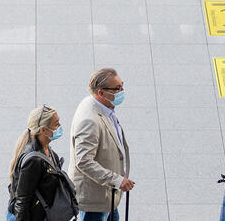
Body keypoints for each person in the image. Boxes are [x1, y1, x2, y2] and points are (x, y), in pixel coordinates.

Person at [69, 68, 134, 221]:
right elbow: (83, 161)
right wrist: (117, 180)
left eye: (122, 85)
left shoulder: (102, 107)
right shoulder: (90, 120)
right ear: (101, 93)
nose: (122, 91)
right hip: (95, 201)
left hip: (108, 195)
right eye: (117, 88)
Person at [8, 105, 78, 221]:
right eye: (56, 124)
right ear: (43, 130)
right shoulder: (34, 160)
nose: (60, 126)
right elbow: (22, 200)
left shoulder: (48, 151)